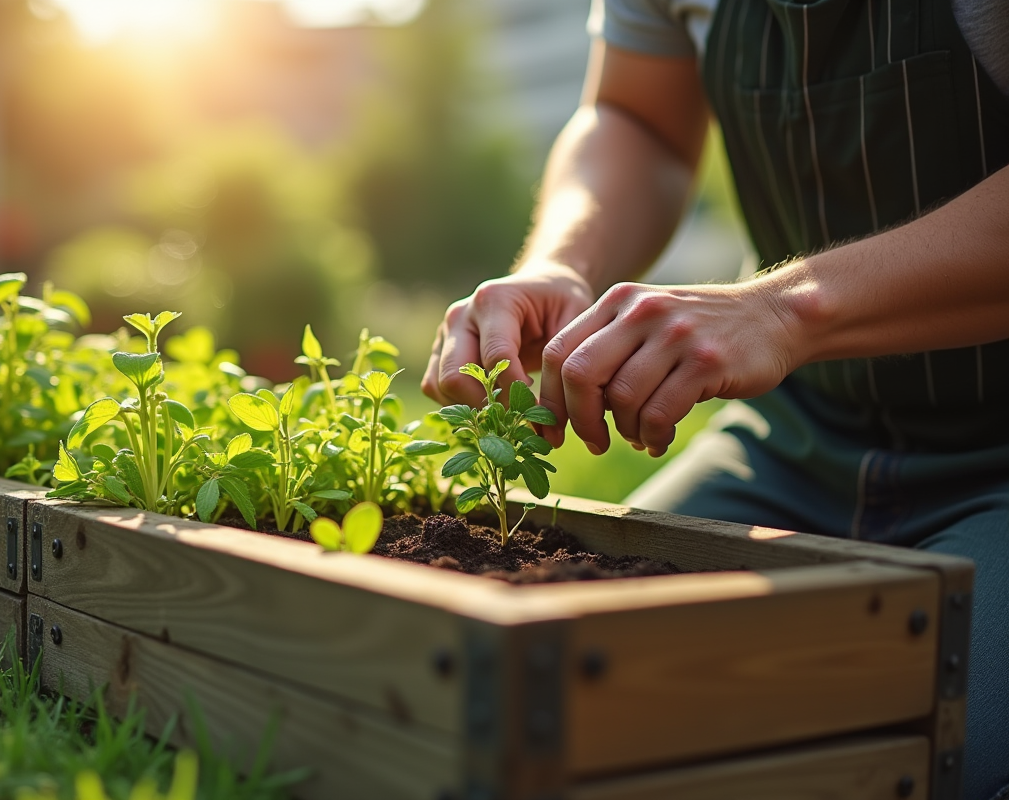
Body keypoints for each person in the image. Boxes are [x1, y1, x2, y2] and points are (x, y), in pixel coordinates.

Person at [421, 0, 1009, 796]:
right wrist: (564, 263)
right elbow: (637, 115)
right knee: (583, 698)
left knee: (906, 761)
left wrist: (784, 309)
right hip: (802, 435)